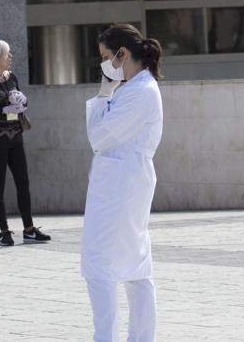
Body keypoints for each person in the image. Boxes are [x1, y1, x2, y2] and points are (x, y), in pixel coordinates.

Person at [82, 24, 164, 342]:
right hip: (123, 180)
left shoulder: (140, 92)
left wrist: (104, 94)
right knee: (134, 266)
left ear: (122, 54)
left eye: (106, 57)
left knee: (98, 265)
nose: (104, 64)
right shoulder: (134, 88)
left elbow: (98, 137)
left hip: (122, 184)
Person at [0, 39, 50, 247]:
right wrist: (4, 110)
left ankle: (29, 229)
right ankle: (4, 231)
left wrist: (22, 102)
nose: (10, 57)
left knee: (23, 182)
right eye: (7, 54)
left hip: (15, 136)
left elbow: (21, 104)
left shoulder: (11, 77)